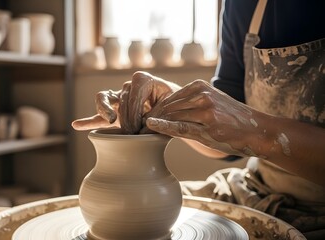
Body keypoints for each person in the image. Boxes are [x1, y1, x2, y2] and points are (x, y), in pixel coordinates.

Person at [72, 0, 325, 238]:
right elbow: (229, 146)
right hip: (256, 188)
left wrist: (259, 133)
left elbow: (245, 130)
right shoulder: (242, 5)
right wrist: (171, 103)